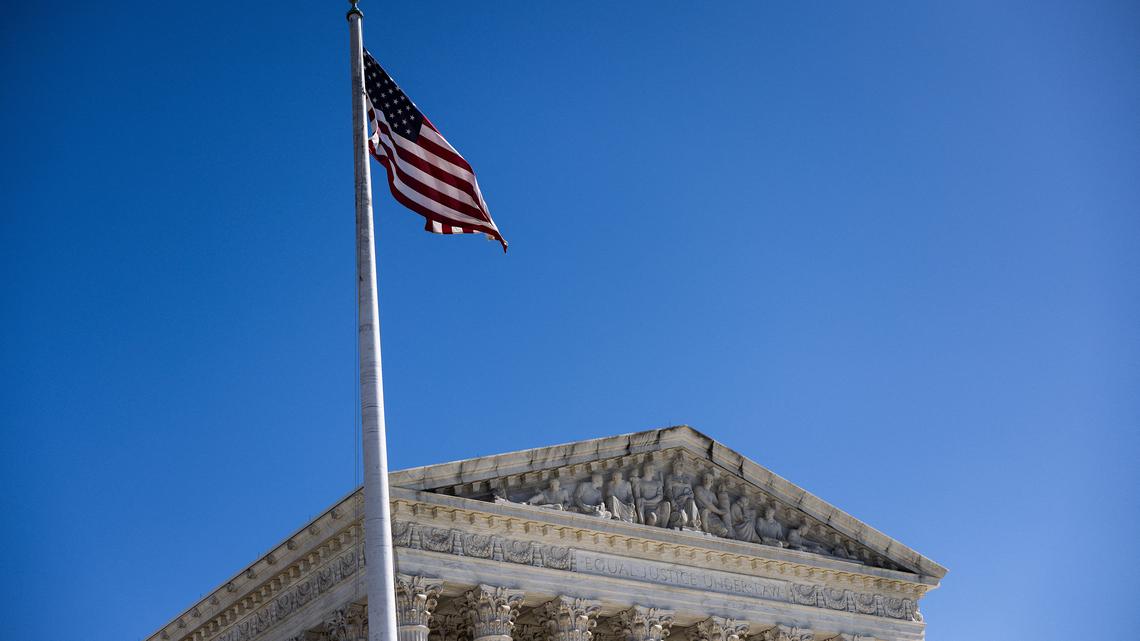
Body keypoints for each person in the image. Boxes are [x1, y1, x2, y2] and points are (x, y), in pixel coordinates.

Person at [693, 472, 730, 537]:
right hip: (701, 512)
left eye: (709, 479)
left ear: (712, 482)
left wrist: (721, 492)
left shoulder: (712, 494)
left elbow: (718, 505)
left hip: (712, 515)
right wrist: (720, 512)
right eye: (705, 478)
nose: (706, 480)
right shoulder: (698, 489)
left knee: (724, 531)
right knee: (705, 511)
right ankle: (706, 532)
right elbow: (707, 503)